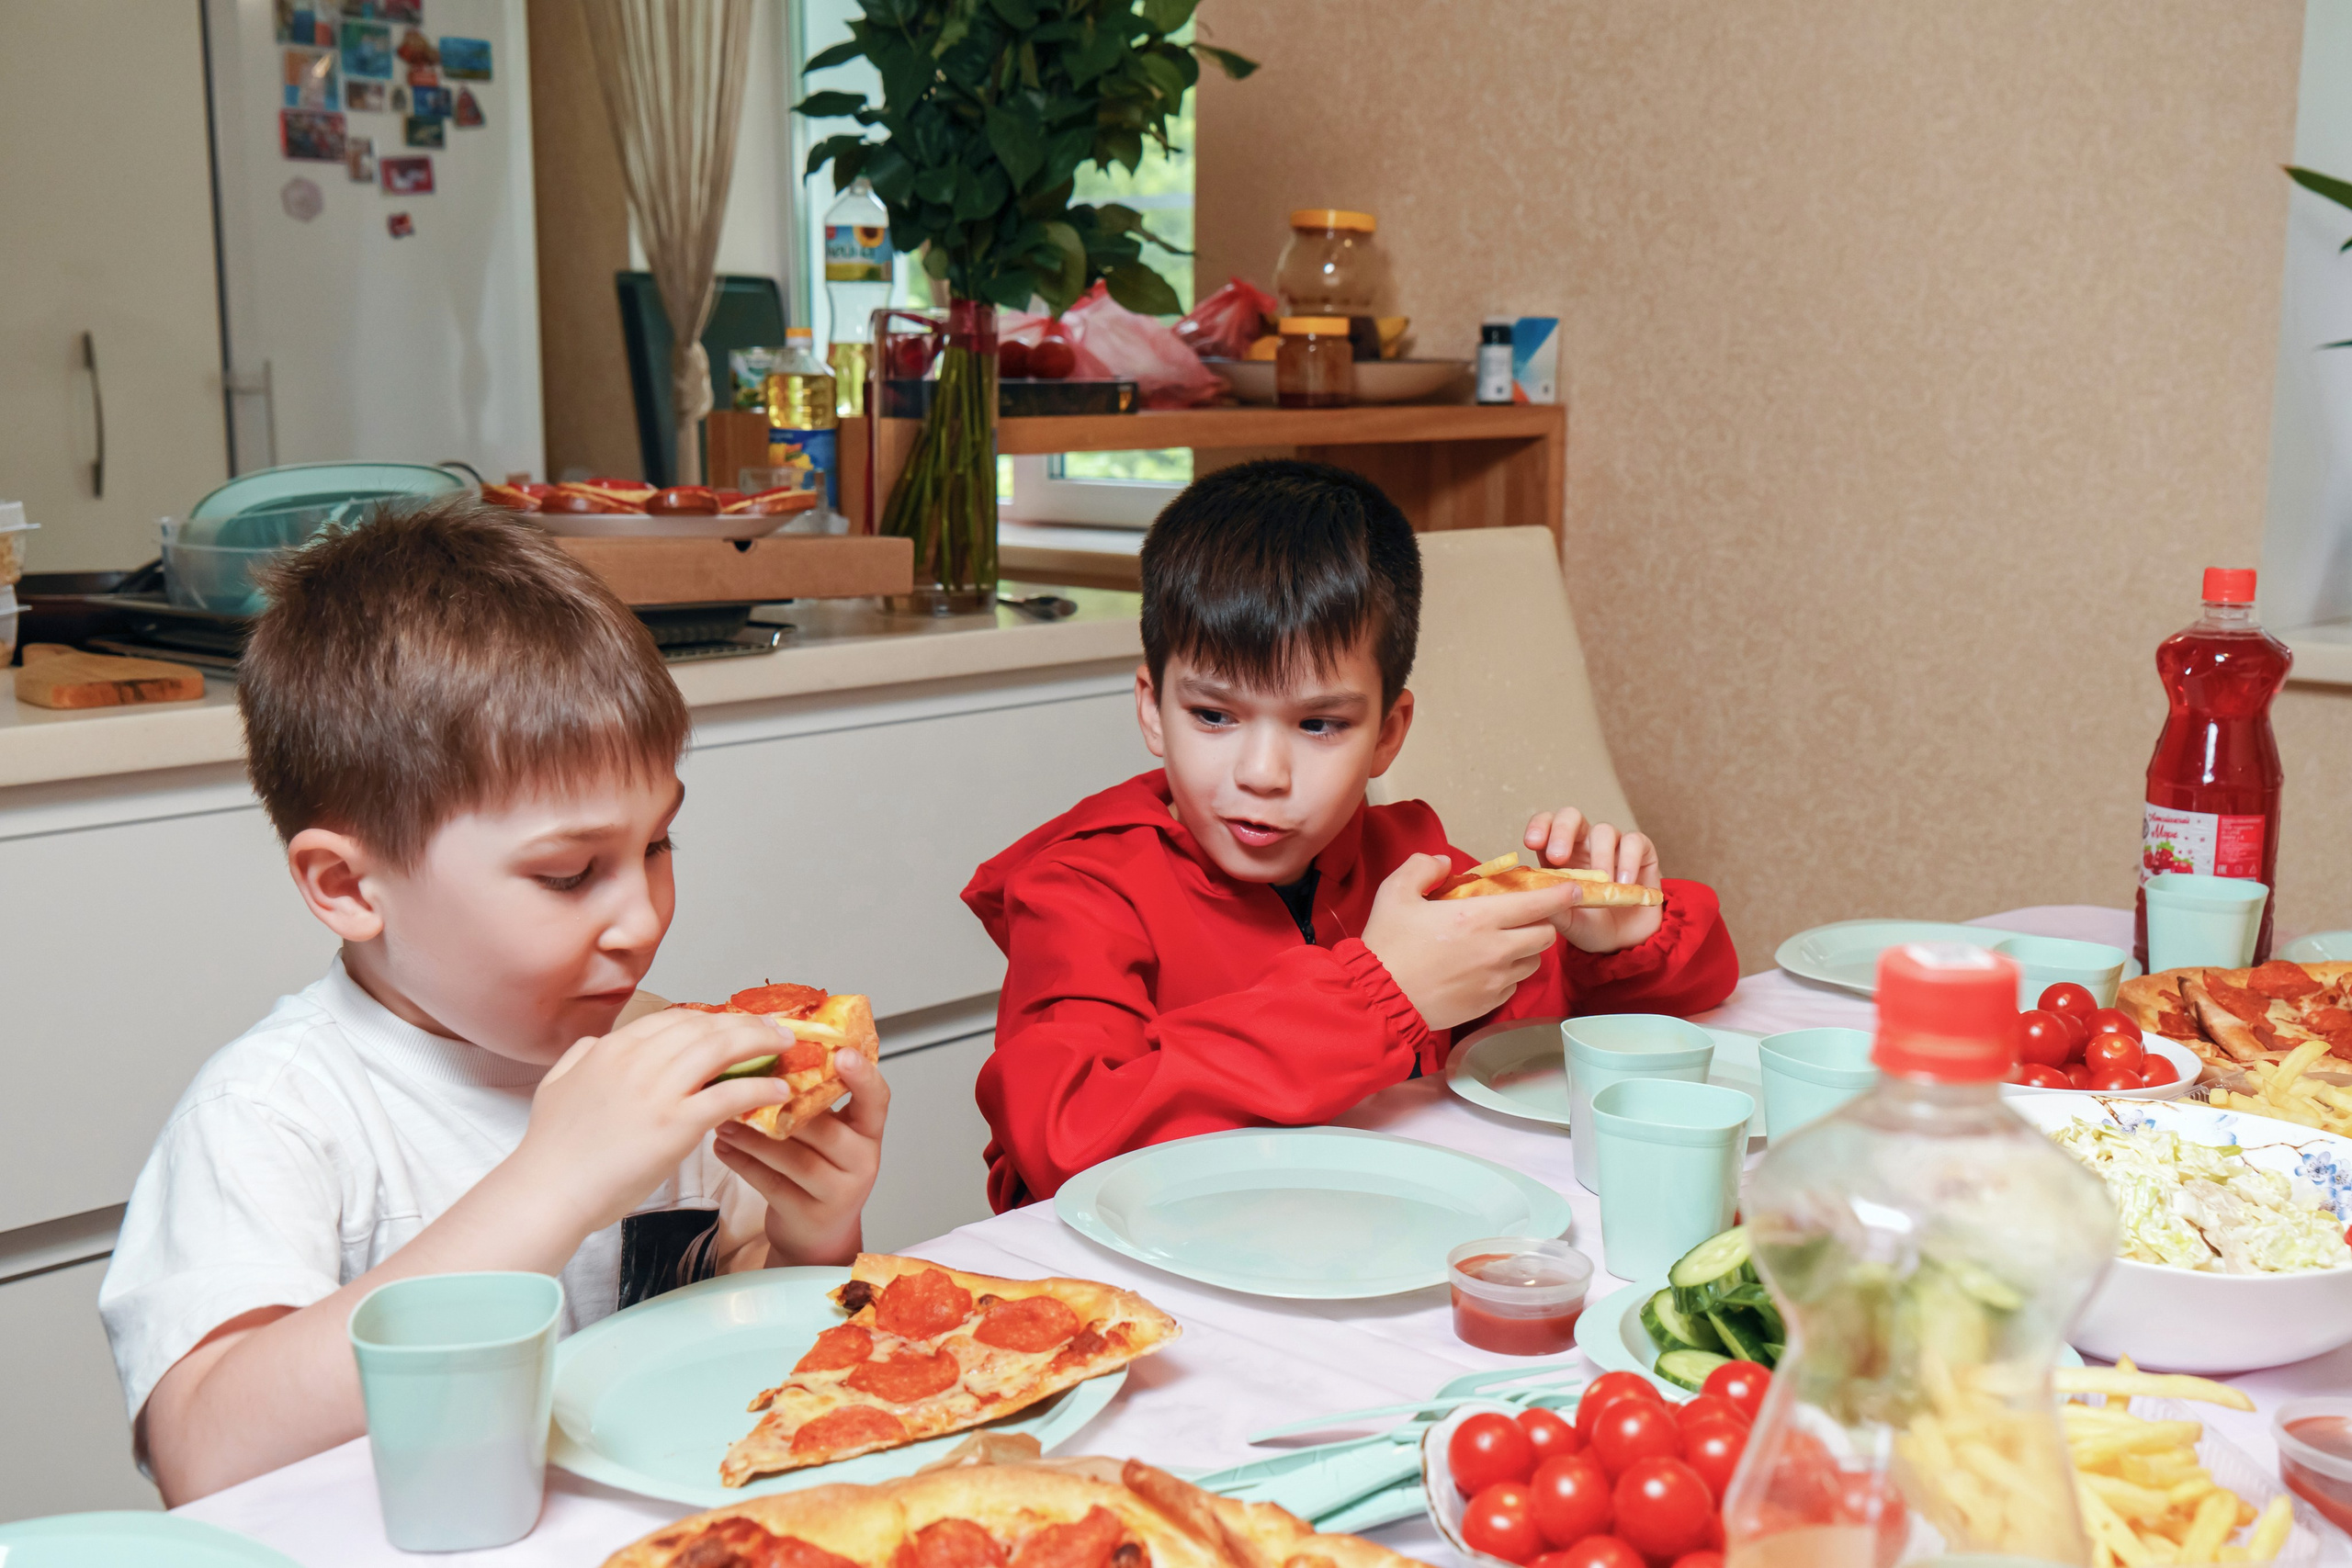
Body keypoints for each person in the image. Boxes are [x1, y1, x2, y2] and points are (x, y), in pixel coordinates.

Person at [98, 500, 887, 1504]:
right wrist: (551, 1183)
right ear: (348, 888)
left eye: (656, 847)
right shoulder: (273, 1117)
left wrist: (812, 1235)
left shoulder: (656, 1054)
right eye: (567, 874)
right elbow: (205, 1454)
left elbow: (752, 1351)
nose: (640, 920)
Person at [963, 459, 1736, 1210]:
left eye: (1320, 723)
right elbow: (1062, 1140)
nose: (1262, 772)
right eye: (1213, 715)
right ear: (1150, 708)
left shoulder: (1411, 865)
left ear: (1389, 734)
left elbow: (1554, 1057)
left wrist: (1618, 955)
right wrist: (1378, 997)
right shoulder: (1082, 891)